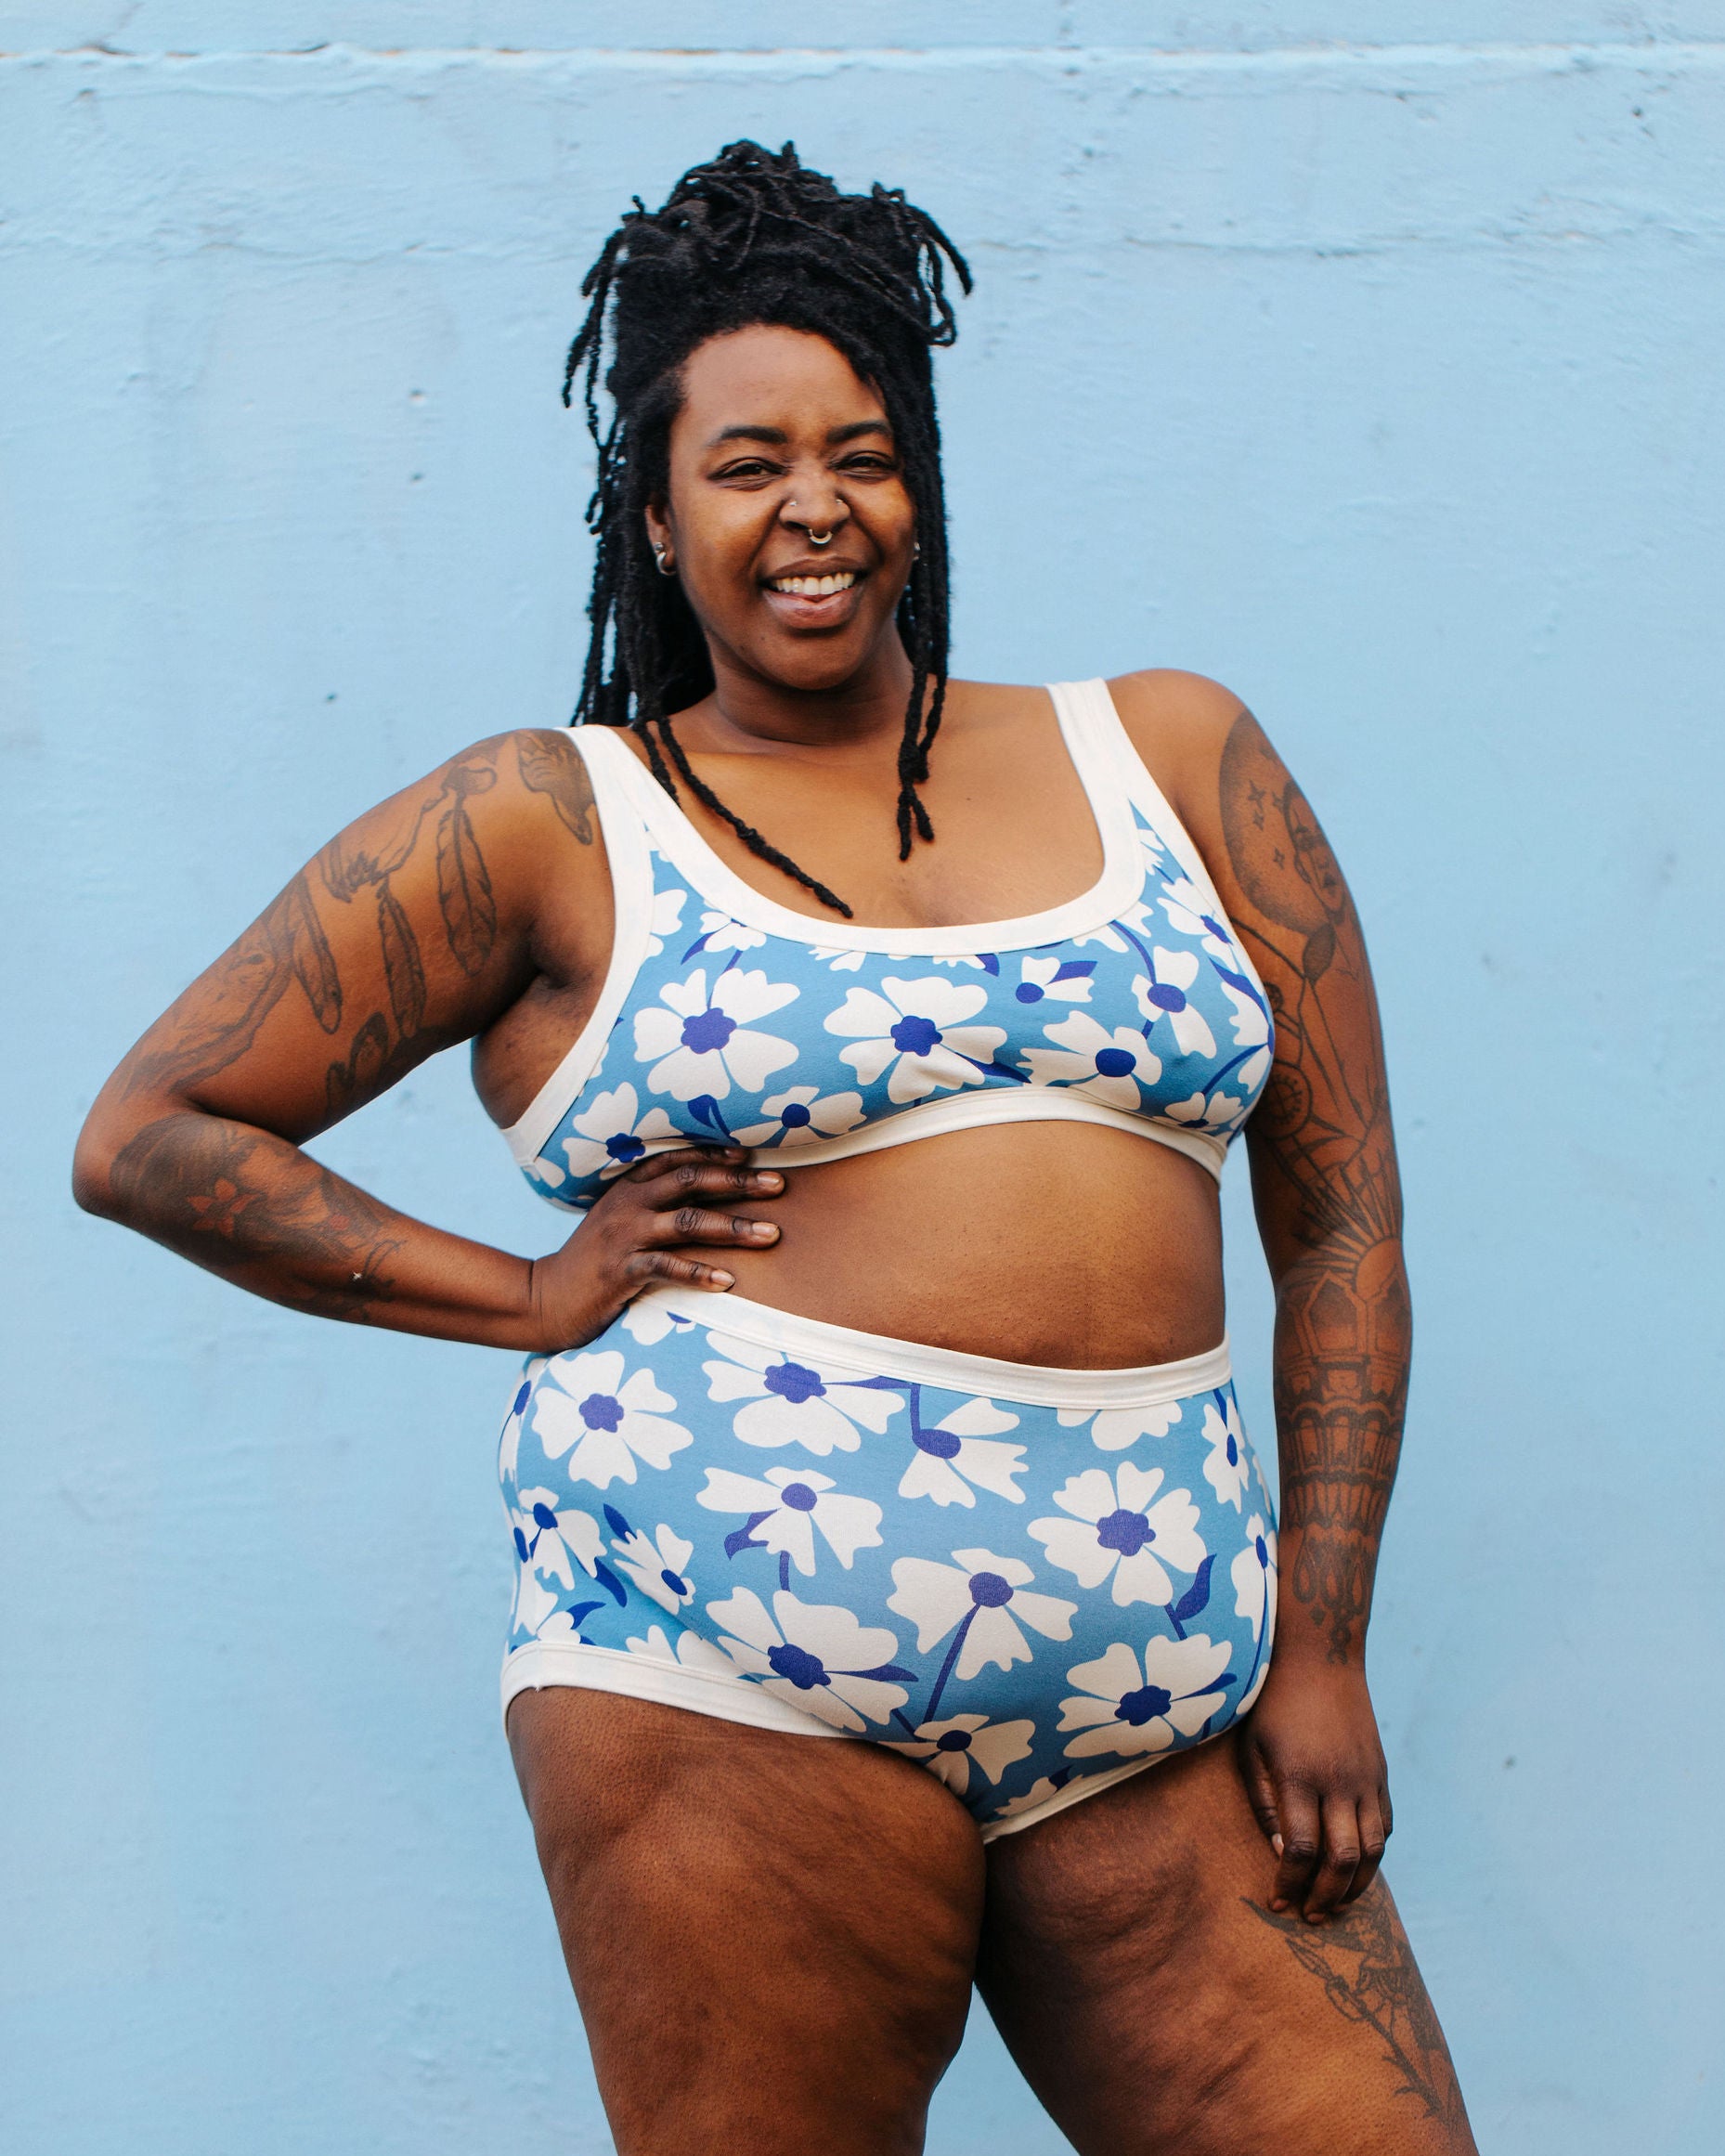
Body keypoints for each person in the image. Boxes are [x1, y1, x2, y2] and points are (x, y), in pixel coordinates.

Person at [73, 140, 1474, 2154]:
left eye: (862, 452)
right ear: (649, 513)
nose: (811, 509)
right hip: (725, 1676)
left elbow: (1339, 1215)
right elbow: (153, 1136)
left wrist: (1321, 1647)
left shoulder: (1168, 753)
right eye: (742, 465)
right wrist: (529, 1298)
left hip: (1163, 1691)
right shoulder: (550, 818)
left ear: (916, 485)